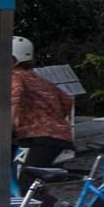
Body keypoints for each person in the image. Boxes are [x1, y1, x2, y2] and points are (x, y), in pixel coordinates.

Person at [10, 37, 73, 168]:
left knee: (25, 183)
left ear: (14, 61)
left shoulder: (13, 76)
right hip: (57, 139)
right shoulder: (39, 79)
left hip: (38, 141)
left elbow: (14, 97)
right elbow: (67, 100)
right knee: (36, 185)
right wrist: (53, 121)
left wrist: (9, 125)